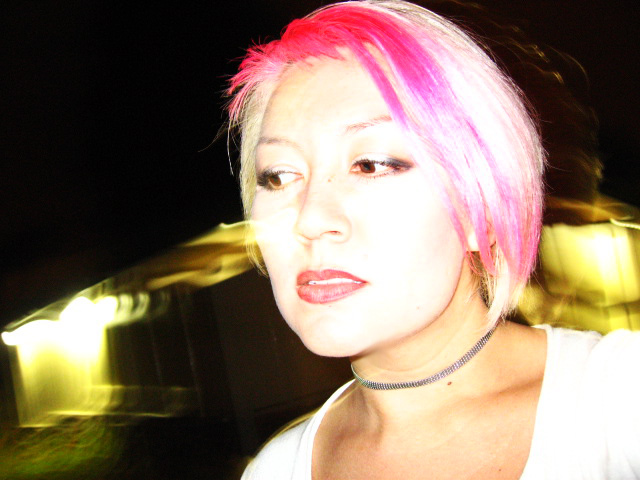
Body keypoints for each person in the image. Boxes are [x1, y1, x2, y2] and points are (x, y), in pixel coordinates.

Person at [226, 1, 640, 478]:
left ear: (482, 207)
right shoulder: (275, 470)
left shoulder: (619, 404)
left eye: (371, 164)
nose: (310, 219)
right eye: (278, 176)